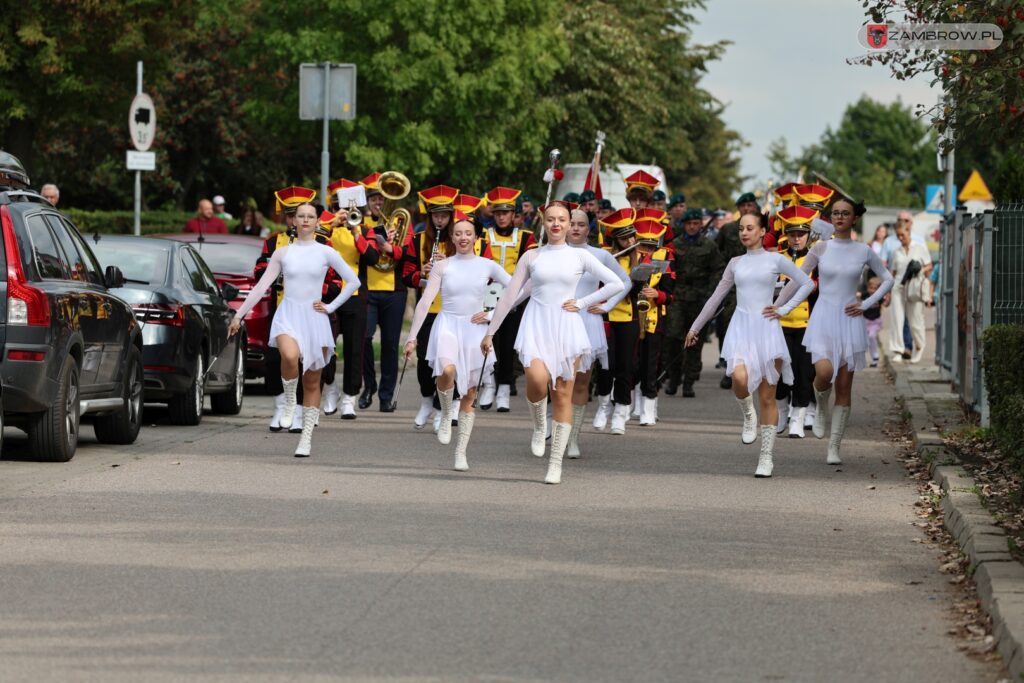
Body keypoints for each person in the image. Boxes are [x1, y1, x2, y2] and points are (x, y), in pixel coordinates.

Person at [481, 202, 625, 485]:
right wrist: (490, 330)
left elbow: (616, 284)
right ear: (543, 222)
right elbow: (511, 296)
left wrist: (583, 302)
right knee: (536, 380)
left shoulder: (580, 257)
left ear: (570, 223)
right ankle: (538, 425)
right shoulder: (532, 257)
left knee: (561, 394)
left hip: (567, 327)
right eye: (551, 219)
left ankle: (555, 462)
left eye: (562, 220)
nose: (557, 224)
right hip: (536, 325)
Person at [686, 212, 814, 478]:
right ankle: (748, 414)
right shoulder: (735, 263)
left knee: (768, 396)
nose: (744, 232)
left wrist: (783, 308)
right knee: (739, 380)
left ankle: (766, 457)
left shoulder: (776, 259)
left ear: (762, 231)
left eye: (750, 228)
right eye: (741, 228)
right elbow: (716, 297)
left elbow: (806, 283)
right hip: (741, 328)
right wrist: (696, 327)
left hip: (767, 329)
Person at [230, 202, 360, 457]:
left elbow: (353, 281)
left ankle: (306, 439)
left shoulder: (326, 252)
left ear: (317, 221)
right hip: (288, 313)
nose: (304, 220)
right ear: (293, 221)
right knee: (288, 356)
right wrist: (239, 315)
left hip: (315, 317)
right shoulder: (282, 253)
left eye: (310, 216)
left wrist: (331, 306)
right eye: (300, 216)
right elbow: (261, 288)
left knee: (312, 380)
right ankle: (290, 401)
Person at [776, 196, 894, 465]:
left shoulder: (864, 251)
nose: (840, 217)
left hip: (850, 319)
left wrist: (865, 304)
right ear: (831, 218)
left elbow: (888, 280)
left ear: (854, 218)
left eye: (845, 213)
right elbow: (799, 281)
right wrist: (777, 307)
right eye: (836, 213)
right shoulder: (820, 248)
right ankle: (820, 405)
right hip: (823, 318)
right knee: (824, 374)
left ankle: (834, 447)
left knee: (844, 386)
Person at [403, 215, 511, 471]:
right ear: (452, 238)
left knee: (470, 393)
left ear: (475, 237)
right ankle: (444, 411)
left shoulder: (488, 265)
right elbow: (425, 301)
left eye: (468, 233)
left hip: (475, 329)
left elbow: (516, 289)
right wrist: (412, 337)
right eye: (458, 233)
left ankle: (461, 452)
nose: (463, 237)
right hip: (448, 324)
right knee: (447, 370)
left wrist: (490, 312)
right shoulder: (443, 266)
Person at [566, 209, 630, 457]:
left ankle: (573, 439)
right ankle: (552, 426)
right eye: (571, 223)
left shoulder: (600, 255)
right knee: (558, 381)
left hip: (587, 321)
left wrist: (607, 306)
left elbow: (624, 281)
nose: (575, 228)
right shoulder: (550, 252)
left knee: (581, 381)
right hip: (559, 320)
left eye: (581, 224)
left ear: (588, 229)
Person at [254, 186, 317, 431]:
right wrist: (276, 271)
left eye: (300, 215)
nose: (295, 221)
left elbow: (332, 278)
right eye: (291, 216)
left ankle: (301, 410)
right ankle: (281, 405)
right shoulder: (273, 242)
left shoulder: (320, 242)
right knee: (274, 359)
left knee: (305, 361)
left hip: (310, 309)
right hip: (281, 308)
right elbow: (259, 271)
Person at [402, 185, 461, 429]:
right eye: (436, 215)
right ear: (429, 216)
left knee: (448, 362)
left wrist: (450, 265)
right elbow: (406, 275)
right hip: (428, 309)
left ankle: (442, 408)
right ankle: (427, 400)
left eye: (445, 215)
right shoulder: (418, 240)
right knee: (426, 360)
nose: (440, 219)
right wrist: (422, 274)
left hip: (453, 309)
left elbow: (473, 273)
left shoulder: (460, 239)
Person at [321, 178, 381, 419]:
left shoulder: (365, 230)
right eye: (339, 207)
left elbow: (373, 258)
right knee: (325, 347)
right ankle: (330, 388)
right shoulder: (324, 227)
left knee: (355, 348)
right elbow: (312, 245)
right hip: (327, 295)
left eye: (348, 208)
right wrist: (331, 224)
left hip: (355, 296)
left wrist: (356, 232)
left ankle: (349, 397)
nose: (344, 212)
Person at [480, 186, 536, 411]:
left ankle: (504, 388)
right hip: (488, 295)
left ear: (514, 215)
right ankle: (489, 385)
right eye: (498, 213)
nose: (502, 217)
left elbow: (531, 266)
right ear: (493, 214)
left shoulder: (525, 237)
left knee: (508, 344)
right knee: (489, 342)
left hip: (515, 296)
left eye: (507, 212)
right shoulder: (483, 235)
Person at [359, 172, 410, 413]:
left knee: (390, 345)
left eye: (382, 199)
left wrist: (391, 247)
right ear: (367, 202)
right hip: (367, 289)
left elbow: (408, 253)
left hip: (394, 291)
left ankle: (386, 395)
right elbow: (359, 251)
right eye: (374, 199)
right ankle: (368, 385)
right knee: (365, 339)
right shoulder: (358, 222)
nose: (379, 203)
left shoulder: (400, 223)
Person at [591, 208, 642, 435]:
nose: (629, 241)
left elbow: (637, 292)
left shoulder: (639, 259)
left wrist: (639, 280)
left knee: (625, 366)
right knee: (605, 366)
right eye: (624, 238)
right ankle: (603, 406)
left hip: (628, 317)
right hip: (604, 317)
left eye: (631, 236)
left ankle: (621, 411)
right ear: (615, 239)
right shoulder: (604, 257)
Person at [664, 207, 723, 398]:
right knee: (673, 338)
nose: (692, 227)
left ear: (700, 224)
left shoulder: (709, 246)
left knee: (694, 343)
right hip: (678, 297)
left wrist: (710, 294)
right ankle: (674, 378)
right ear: (684, 225)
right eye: (689, 224)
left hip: (700, 298)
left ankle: (689, 382)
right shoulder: (675, 244)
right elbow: (668, 269)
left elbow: (718, 270)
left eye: (696, 223)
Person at [772, 206, 819, 438]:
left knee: (804, 373)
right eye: (792, 234)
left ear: (808, 235)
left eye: (801, 234)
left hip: (806, 325)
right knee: (778, 374)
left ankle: (798, 419)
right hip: (779, 325)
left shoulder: (817, 261)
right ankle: (781, 411)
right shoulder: (777, 259)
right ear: (786, 235)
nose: (797, 238)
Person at [712, 192, 760, 387]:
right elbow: (716, 254)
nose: (747, 208)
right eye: (743, 205)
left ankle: (752, 366)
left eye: (750, 205)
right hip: (733, 286)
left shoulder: (762, 228)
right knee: (728, 325)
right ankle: (730, 367)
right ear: (738, 208)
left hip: (756, 286)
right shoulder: (728, 230)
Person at [631, 212, 675, 425]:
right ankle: (628, 403)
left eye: (650, 246)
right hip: (628, 315)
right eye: (642, 245)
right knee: (630, 363)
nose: (646, 250)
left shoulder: (665, 258)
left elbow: (671, 294)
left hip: (654, 317)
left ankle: (649, 405)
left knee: (651, 363)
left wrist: (658, 295)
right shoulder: (626, 255)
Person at [888, 221, 932, 364]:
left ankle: (919, 347)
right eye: (898, 235)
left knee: (915, 321)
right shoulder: (896, 252)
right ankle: (898, 350)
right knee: (897, 320)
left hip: (913, 287)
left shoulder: (919, 248)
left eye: (903, 235)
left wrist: (919, 270)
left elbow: (929, 266)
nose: (900, 238)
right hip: (898, 288)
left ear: (909, 233)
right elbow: (893, 273)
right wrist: (887, 292)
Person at [861, 276, 888, 367]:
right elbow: (858, 298)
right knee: (865, 340)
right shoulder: (865, 295)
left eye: (875, 289)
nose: (872, 290)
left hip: (875, 321)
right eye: (871, 288)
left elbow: (886, 303)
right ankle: (869, 357)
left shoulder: (879, 297)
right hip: (865, 321)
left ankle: (875, 357)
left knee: (872, 336)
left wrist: (888, 296)